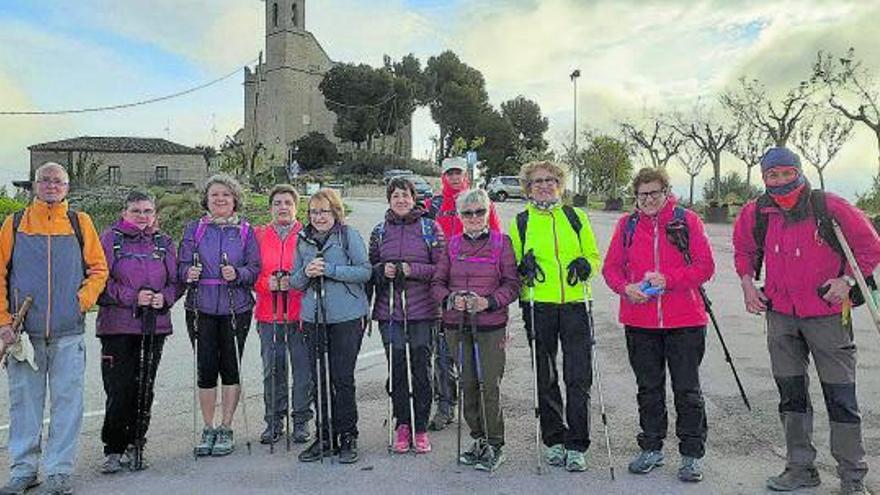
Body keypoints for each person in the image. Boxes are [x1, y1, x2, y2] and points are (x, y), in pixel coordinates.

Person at [733, 147, 880, 495]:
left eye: (786, 173)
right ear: (764, 178)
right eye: (773, 175)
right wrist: (746, 285)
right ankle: (800, 468)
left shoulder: (828, 206)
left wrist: (845, 281)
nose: (781, 181)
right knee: (791, 396)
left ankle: (852, 477)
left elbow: (871, 247)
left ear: (798, 171)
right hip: (780, 317)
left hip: (828, 316)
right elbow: (743, 249)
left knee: (841, 398)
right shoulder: (757, 211)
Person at [0, 162, 108, 495]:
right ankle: (23, 471)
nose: (51, 185)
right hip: (24, 336)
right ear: (34, 185)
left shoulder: (80, 223)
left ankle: (59, 471)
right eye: (44, 180)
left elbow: (99, 269)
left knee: (66, 405)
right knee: (25, 405)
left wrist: (80, 302)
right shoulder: (15, 223)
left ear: (67, 187)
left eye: (57, 181)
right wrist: (4, 322)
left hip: (68, 332)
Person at [602, 167, 714, 482]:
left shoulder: (687, 220)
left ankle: (691, 455)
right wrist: (626, 289)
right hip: (639, 321)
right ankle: (651, 448)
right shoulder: (626, 225)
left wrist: (669, 279)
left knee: (687, 390)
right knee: (648, 389)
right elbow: (610, 269)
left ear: (666, 192)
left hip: (685, 320)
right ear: (635, 197)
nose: (649, 199)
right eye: (642, 194)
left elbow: (705, 267)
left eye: (654, 193)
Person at [508, 161, 602, 473]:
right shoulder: (521, 222)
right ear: (528, 187)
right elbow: (513, 263)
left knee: (578, 375)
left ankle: (577, 443)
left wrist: (586, 266)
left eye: (550, 180)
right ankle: (555, 439)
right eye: (537, 182)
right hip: (538, 304)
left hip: (575, 302)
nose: (545, 185)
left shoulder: (575, 217)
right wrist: (523, 269)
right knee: (545, 376)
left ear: (559, 184)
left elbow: (592, 255)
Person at [432, 188, 520, 472]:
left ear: (487, 213)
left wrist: (488, 302)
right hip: (457, 324)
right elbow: (437, 284)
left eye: (479, 212)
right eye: (467, 213)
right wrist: (450, 299)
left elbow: (512, 285)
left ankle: (495, 443)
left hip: (490, 326)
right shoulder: (452, 245)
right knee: (467, 383)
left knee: (488, 385)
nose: (473, 217)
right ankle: (478, 439)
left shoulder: (501, 242)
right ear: (459, 216)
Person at [96, 191, 178, 474]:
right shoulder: (110, 239)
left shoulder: (164, 242)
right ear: (124, 212)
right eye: (136, 211)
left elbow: (176, 282)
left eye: (147, 211)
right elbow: (98, 281)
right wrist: (134, 296)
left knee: (145, 387)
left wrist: (164, 298)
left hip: (154, 326)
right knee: (119, 388)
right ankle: (114, 448)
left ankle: (136, 443)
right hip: (117, 327)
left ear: (155, 214)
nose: (142, 216)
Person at [178, 174, 261, 457]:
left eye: (226, 195)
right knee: (205, 368)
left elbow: (255, 269)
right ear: (207, 199)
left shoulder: (246, 232)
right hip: (200, 306)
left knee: (230, 366)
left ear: (235, 199)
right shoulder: (195, 229)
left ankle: (226, 426)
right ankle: (208, 426)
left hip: (236, 307)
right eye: (215, 195)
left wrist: (238, 274)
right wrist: (188, 273)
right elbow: (181, 265)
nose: (220, 199)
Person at [292, 188, 371, 464]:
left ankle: (347, 435)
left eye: (324, 211)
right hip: (314, 318)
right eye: (314, 211)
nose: (319, 216)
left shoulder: (348, 236)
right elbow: (295, 281)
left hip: (347, 318)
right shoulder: (303, 239)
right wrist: (306, 272)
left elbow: (365, 271)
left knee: (342, 378)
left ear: (335, 212)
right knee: (319, 378)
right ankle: (325, 436)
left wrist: (331, 271)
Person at [423, 157, 501, 432]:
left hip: (478, 289)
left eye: (458, 173)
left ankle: (482, 414)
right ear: (443, 176)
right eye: (449, 174)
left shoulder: (480, 201)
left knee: (475, 357)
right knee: (442, 352)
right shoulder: (433, 206)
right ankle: (445, 405)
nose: (454, 178)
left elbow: (497, 243)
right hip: (443, 284)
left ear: (465, 174)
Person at [369, 177, 445, 454]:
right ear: (389, 200)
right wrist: (383, 271)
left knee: (421, 370)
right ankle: (403, 423)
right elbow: (371, 268)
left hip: (423, 311)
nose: (401, 200)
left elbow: (441, 269)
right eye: (395, 196)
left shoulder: (430, 228)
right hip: (390, 311)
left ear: (415, 199)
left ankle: (421, 425)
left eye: (406, 195)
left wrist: (412, 270)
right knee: (397, 369)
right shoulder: (379, 231)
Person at [253, 184, 313, 445]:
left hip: (300, 315)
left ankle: (301, 420)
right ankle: (274, 421)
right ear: (270, 207)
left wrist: (295, 282)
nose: (283, 207)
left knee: (302, 371)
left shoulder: (307, 235)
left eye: (288, 202)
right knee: (273, 371)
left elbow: (313, 269)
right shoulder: (258, 235)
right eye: (277, 203)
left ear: (296, 206)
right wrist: (267, 283)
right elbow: (250, 271)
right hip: (269, 314)